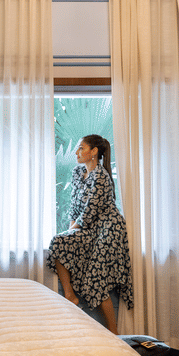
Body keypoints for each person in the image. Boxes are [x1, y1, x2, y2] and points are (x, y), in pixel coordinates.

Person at [47, 134, 133, 334]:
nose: (77, 152)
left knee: (96, 276)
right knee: (59, 242)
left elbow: (90, 211)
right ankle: (70, 295)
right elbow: (74, 206)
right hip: (87, 227)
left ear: (94, 152)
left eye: (81, 148)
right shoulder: (78, 172)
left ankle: (114, 331)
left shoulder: (101, 177)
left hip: (108, 228)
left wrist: (73, 229)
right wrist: (70, 231)